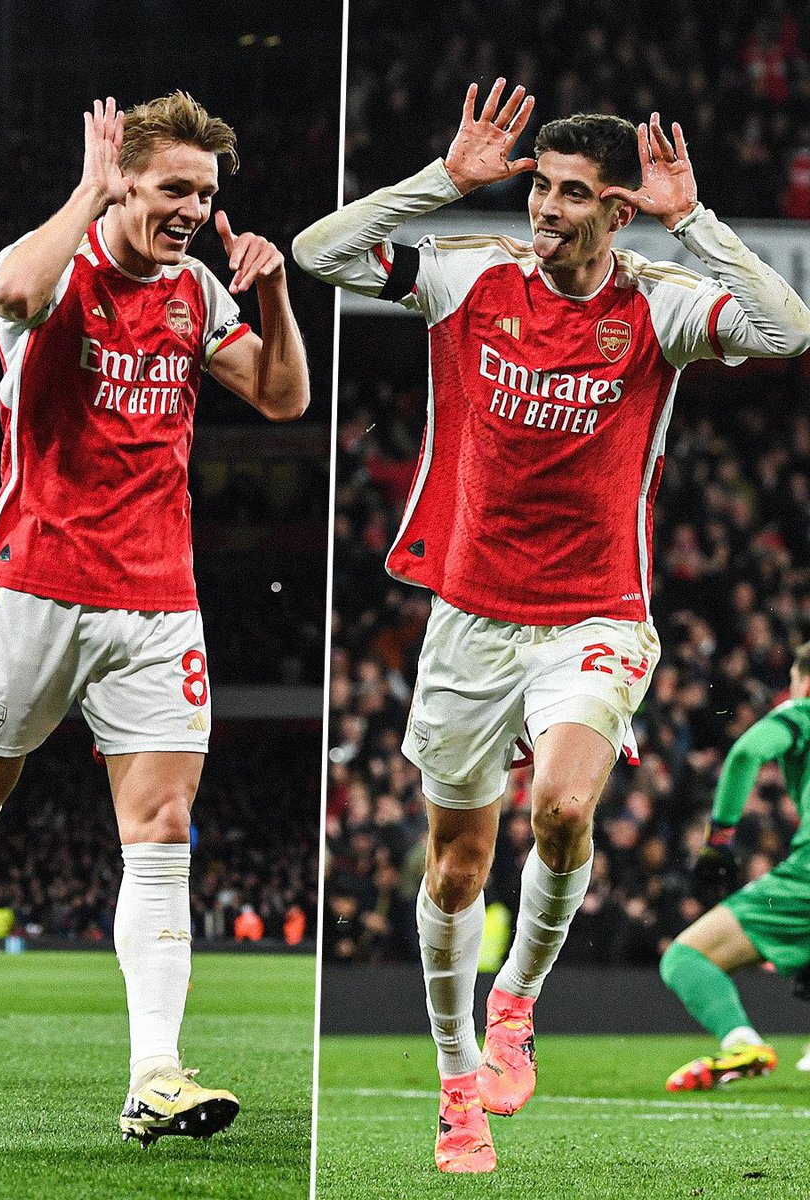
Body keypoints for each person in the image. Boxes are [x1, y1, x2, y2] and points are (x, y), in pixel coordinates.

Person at [294, 78, 810, 1173]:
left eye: (574, 195)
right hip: (471, 617)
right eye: (541, 190)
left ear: (617, 211)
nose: (546, 211)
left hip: (596, 613)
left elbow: (788, 325)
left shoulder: (659, 304)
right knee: (452, 870)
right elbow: (319, 252)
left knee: (568, 809)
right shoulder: (470, 277)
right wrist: (444, 180)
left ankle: (517, 1004)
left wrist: (695, 222)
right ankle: (455, 1090)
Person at [0, 93, 309, 1148]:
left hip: (157, 602)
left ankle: (155, 1073)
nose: (194, 207)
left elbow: (283, 399)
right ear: (126, 180)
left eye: (206, 192)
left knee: (158, 836)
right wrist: (89, 192)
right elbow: (7, 283)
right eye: (173, 188)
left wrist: (275, 298)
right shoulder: (59, 270)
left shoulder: (197, 292)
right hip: (30, 586)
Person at [660, 642, 810, 1091]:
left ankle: (742, 1041)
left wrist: (720, 839)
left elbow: (746, 753)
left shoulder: (801, 711)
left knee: (684, 958)